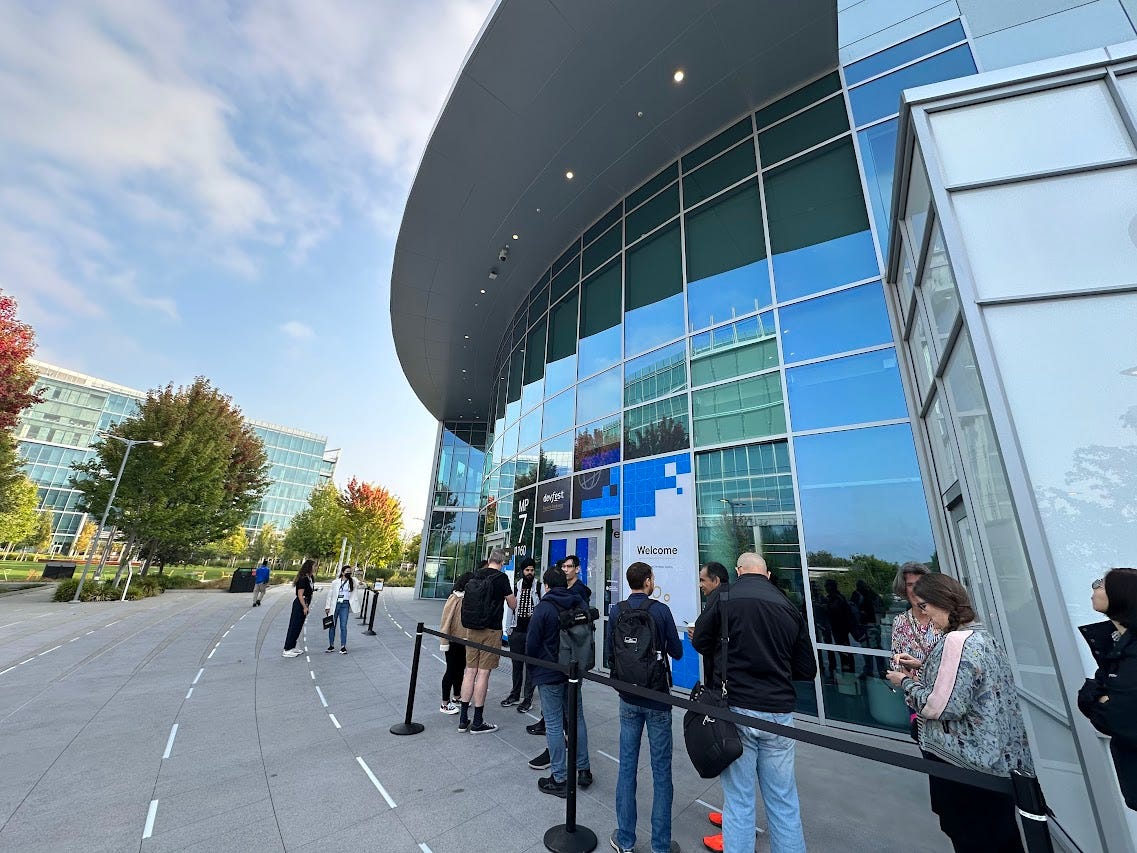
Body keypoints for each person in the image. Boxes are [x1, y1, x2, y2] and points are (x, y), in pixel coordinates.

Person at [886, 573, 1033, 853]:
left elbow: (940, 706)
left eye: (926, 608)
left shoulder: (956, 642)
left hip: (966, 763)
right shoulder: (981, 636)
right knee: (999, 834)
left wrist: (903, 681)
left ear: (941, 603)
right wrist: (924, 663)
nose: (926, 617)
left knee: (973, 837)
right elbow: (966, 681)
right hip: (996, 760)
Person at [691, 553, 816, 853]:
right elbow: (806, 669)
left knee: (739, 800)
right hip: (780, 715)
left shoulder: (725, 597)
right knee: (784, 802)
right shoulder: (787, 605)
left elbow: (700, 642)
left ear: (738, 571)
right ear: (768, 575)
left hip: (737, 709)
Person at [608, 562, 683, 853]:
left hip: (628, 697)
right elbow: (675, 651)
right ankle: (660, 846)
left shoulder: (617, 610)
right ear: (649, 581)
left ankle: (625, 840)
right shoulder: (660, 610)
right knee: (661, 771)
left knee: (627, 767)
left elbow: (610, 650)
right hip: (658, 699)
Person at [526, 564, 592, 797]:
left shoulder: (543, 608)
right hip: (573, 671)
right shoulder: (579, 603)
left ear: (546, 586)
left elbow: (531, 645)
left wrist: (533, 671)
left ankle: (560, 777)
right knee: (578, 718)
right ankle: (583, 769)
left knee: (554, 723)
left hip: (549, 672)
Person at [1077, 567, 1137, 810]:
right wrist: (1099, 698)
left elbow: (1118, 718)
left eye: (1101, 584)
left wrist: (1100, 700)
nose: (1094, 588)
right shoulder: (1117, 644)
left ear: (1120, 596)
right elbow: (1093, 692)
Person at [687, 561, 729, 853]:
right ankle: (733, 817)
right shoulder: (736, 600)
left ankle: (736, 835)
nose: (700, 585)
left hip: (725, 688)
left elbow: (703, 640)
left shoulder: (718, 602)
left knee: (734, 759)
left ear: (715, 580)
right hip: (746, 691)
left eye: (702, 580)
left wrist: (695, 637)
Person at [458, 549, 517, 733]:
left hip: (472, 628)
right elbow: (512, 603)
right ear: (502, 563)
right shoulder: (501, 578)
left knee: (469, 672)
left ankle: (462, 720)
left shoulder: (475, 575)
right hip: (491, 630)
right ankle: (477, 721)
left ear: (490, 560)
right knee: (483, 674)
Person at [502, 557, 540, 711]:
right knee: (516, 665)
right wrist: (508, 629)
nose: (529, 573)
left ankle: (528, 698)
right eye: (527, 570)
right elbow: (511, 607)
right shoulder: (516, 586)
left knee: (531, 665)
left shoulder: (539, 586)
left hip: (532, 632)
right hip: (516, 631)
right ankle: (515, 694)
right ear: (522, 571)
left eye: (532, 570)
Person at [438, 571, 473, 714]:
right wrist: (444, 641)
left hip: (464, 641)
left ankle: (457, 696)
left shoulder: (467, 598)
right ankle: (445, 703)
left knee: (460, 670)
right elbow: (445, 622)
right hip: (453, 641)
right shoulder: (455, 598)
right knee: (451, 671)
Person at [282, 560, 315, 657]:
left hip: (306, 601)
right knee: (294, 626)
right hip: (300, 604)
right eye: (314, 566)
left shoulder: (310, 578)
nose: (315, 568)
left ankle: (292, 646)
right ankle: (287, 649)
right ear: (309, 567)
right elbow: (300, 594)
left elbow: (308, 590)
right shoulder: (303, 579)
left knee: (299, 627)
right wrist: (304, 607)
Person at [324, 565, 355, 654]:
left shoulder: (352, 582)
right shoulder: (335, 582)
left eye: (350, 571)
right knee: (332, 625)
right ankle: (331, 645)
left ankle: (343, 646)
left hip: (345, 605)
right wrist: (327, 606)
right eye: (347, 571)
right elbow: (330, 594)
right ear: (342, 572)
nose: (349, 573)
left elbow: (361, 584)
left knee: (343, 626)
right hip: (335, 604)